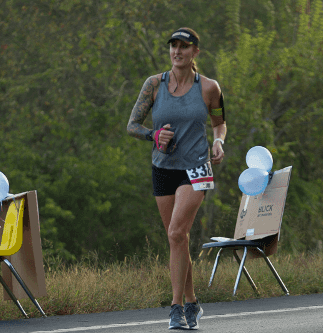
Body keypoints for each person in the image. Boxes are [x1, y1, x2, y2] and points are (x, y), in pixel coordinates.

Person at [127, 27, 226, 330]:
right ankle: (193, 301)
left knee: (175, 233)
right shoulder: (154, 84)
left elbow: (219, 124)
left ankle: (176, 308)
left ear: (196, 52)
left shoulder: (209, 88)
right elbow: (132, 125)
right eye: (174, 46)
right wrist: (153, 135)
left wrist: (219, 141)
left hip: (196, 167)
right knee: (177, 239)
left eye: (184, 47)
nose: (178, 52)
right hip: (163, 168)